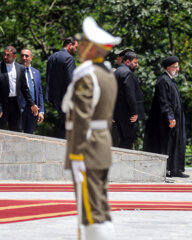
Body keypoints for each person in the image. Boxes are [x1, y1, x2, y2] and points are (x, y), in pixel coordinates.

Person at [61, 16, 120, 239]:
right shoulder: (107, 75)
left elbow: (81, 118)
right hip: (101, 144)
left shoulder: (88, 77)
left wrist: (76, 153)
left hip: (86, 147)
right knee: (99, 204)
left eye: (84, 43)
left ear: (94, 49)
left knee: (89, 209)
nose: (80, 47)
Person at [143, 56, 189, 178]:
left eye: (178, 66)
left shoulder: (171, 81)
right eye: (175, 67)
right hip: (165, 121)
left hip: (175, 120)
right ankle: (168, 169)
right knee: (167, 144)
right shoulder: (163, 81)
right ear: (168, 68)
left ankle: (176, 169)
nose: (178, 69)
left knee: (176, 144)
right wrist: (170, 116)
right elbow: (164, 101)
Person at [0, 46, 39, 131]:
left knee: (16, 130)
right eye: (4, 55)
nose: (5, 57)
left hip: (15, 104)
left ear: (14, 56)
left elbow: (24, 89)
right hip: (3, 103)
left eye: (8, 55)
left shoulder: (20, 68)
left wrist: (32, 104)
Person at [46, 36, 78, 138]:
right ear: (70, 45)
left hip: (54, 97)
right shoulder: (69, 58)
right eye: (75, 47)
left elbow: (48, 76)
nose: (76, 50)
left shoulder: (52, 57)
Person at [113, 51, 144, 149]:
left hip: (118, 113)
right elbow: (130, 95)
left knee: (123, 139)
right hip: (128, 115)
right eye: (135, 63)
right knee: (127, 140)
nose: (137, 65)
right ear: (127, 62)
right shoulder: (127, 73)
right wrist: (135, 113)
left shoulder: (116, 72)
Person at [20, 48, 44, 134]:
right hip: (19, 108)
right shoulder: (16, 70)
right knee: (17, 134)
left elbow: (39, 92)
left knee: (30, 134)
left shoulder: (36, 72)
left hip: (33, 109)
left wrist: (41, 111)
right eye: (22, 55)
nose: (24, 58)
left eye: (26, 56)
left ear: (31, 58)